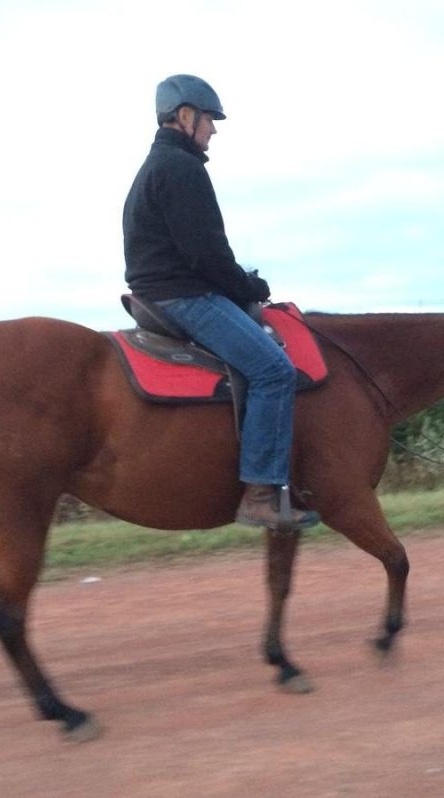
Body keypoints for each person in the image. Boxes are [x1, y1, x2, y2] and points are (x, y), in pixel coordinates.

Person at [122, 74, 320, 532]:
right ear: (186, 116)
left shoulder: (159, 165)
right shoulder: (182, 169)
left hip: (162, 288)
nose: (214, 130)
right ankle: (260, 493)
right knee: (274, 370)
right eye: (210, 119)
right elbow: (206, 254)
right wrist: (249, 287)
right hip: (183, 295)